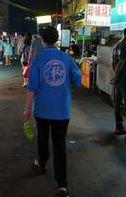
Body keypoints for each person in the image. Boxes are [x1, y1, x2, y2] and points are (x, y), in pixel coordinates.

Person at [23, 26, 81, 197]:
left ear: (42, 39)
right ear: (57, 40)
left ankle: (41, 164)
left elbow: (32, 88)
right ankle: (62, 184)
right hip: (62, 111)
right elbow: (77, 80)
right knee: (59, 145)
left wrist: (27, 109)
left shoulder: (38, 60)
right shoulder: (66, 57)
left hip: (41, 109)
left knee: (42, 138)